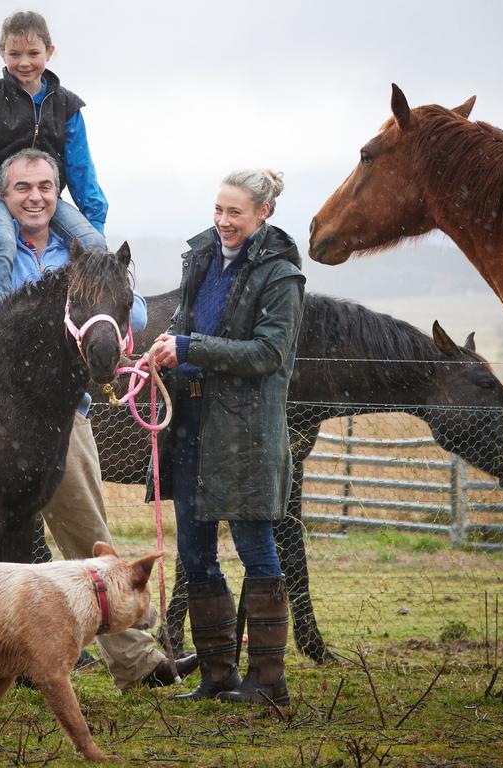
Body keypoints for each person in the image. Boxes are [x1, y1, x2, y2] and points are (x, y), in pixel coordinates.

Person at [0, 148, 197, 692]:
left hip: (66, 420)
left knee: (87, 535)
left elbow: (134, 314)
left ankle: (138, 664)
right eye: (23, 188)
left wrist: (105, 282)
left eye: (46, 186)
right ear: (4, 195)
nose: (36, 197)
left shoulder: (81, 254)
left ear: (58, 192)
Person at [150, 169, 305, 705]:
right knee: (195, 555)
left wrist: (190, 346)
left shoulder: (282, 278)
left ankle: (269, 683)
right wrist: (166, 347)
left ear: (264, 213)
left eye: (234, 212)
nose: (222, 222)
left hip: (245, 434)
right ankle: (217, 673)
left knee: (255, 551)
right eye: (218, 210)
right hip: (190, 428)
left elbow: (268, 355)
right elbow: (183, 321)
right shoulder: (202, 259)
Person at [0, 10, 107, 313]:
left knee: (95, 247)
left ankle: (90, 317)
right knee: (4, 244)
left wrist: (95, 219)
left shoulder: (67, 105)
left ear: (50, 52)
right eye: (15, 53)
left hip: (43, 196)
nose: (24, 62)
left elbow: (81, 168)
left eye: (33, 53)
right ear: (2, 52)